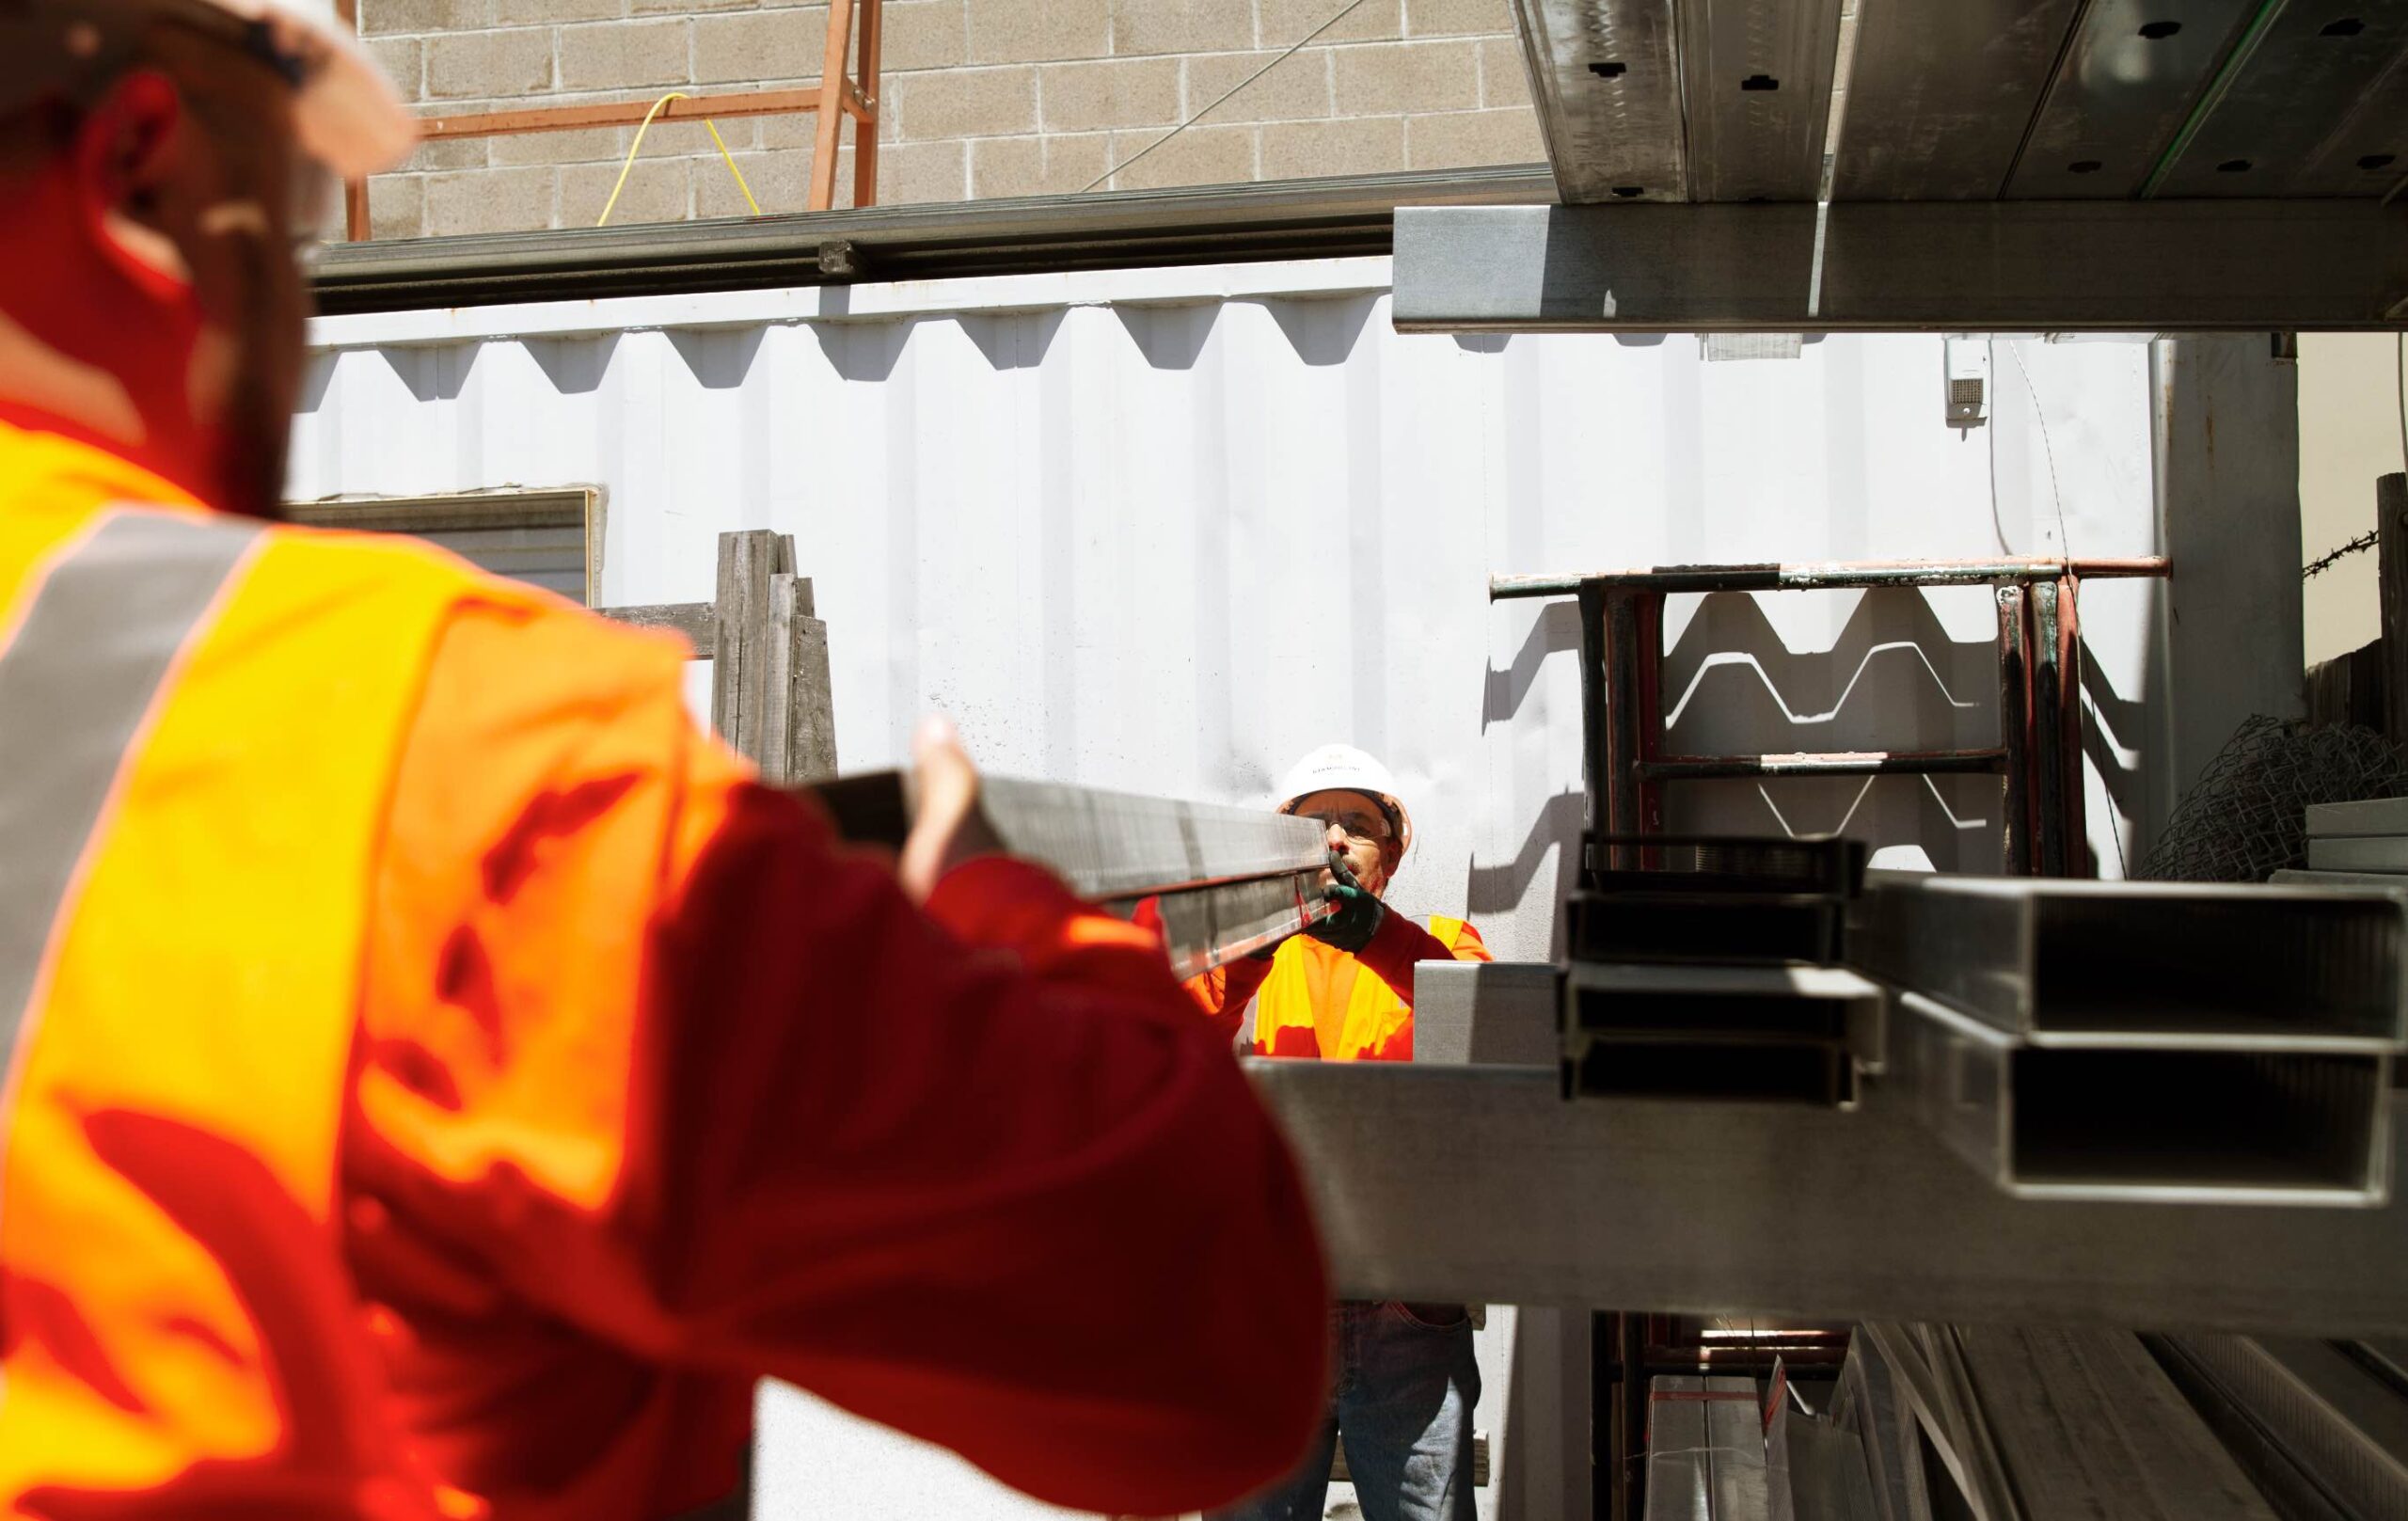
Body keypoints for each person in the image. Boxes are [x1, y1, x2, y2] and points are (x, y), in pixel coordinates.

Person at [0, 3, 1329, 1517]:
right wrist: (995, 909)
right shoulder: (441, 747)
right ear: (141, 171)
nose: (299, 314)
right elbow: (1197, 1329)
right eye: (291, 227)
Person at [1186, 745, 1491, 1521]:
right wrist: (1252, 947)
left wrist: (1376, 935)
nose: (1335, 838)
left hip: (1407, 1308)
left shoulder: (1446, 945)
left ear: (1391, 849)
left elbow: (1484, 1036)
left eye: (1357, 823)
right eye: (1315, 822)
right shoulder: (1247, 958)